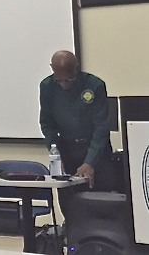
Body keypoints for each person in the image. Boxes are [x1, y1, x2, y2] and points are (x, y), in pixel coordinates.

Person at [39, 50, 116, 215]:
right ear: (52, 69)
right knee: (70, 205)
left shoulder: (94, 85)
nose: (65, 84)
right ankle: (72, 237)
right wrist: (56, 155)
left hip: (95, 151)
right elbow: (47, 124)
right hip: (67, 150)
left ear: (76, 69)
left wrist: (90, 162)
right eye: (60, 80)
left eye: (69, 79)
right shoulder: (46, 87)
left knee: (100, 205)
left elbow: (101, 127)